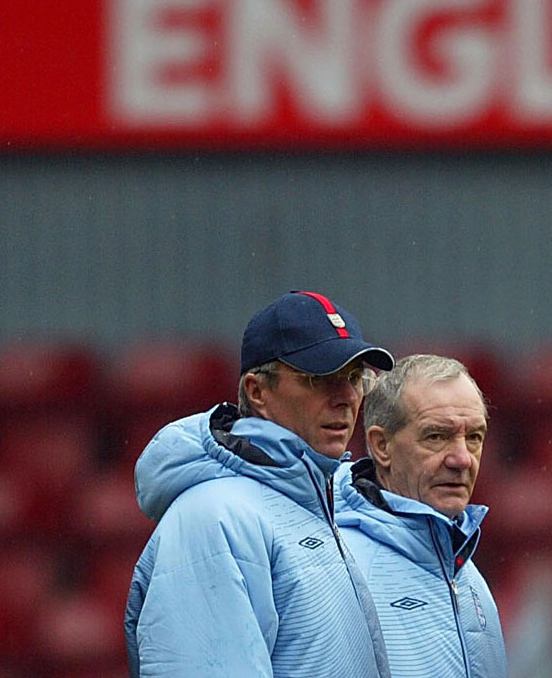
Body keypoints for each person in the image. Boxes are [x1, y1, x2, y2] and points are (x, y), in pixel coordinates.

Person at [125, 290, 395, 678]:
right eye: (319, 378)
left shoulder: (321, 505)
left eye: (354, 378)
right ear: (257, 391)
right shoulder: (214, 519)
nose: (346, 398)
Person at [333, 354, 507, 677]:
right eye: (436, 436)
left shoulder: (469, 577)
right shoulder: (341, 570)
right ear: (381, 445)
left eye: (474, 438)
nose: (462, 459)